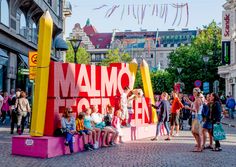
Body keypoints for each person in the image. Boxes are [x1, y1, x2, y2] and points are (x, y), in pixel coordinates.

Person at [190, 88, 203, 152]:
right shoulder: (197, 99)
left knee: (197, 132)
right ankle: (199, 145)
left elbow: (196, 111)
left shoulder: (198, 100)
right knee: (194, 131)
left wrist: (188, 108)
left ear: (197, 93)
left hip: (197, 116)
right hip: (196, 116)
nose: (193, 93)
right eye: (193, 92)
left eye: (194, 92)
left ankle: (200, 147)